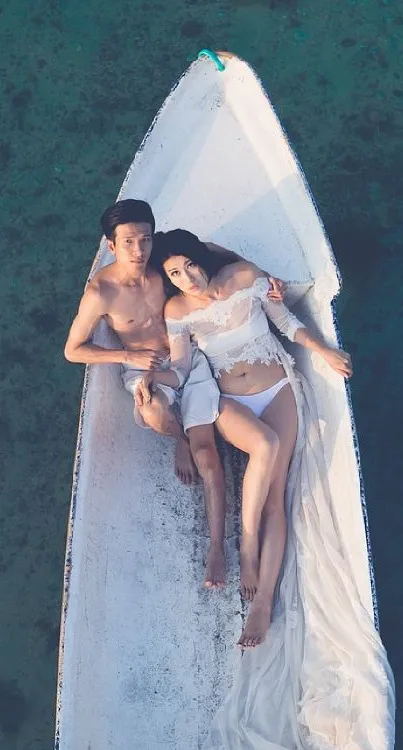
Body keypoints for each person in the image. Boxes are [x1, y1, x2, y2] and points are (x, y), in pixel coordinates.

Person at [147, 229, 352, 649]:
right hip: (230, 403)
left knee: (276, 497)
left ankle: (263, 602)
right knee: (265, 445)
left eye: (189, 265)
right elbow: (183, 366)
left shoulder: (244, 276)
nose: (187, 277)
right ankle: (246, 546)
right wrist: (154, 380)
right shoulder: (177, 309)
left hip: (277, 389)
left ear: (202, 258)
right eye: (175, 273)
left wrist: (324, 351)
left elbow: (287, 324)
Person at [64, 199, 284, 589]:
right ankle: (177, 436)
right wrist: (126, 354)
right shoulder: (101, 292)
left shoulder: (162, 264)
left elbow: (210, 253)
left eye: (145, 239)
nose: (139, 250)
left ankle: (217, 548)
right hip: (142, 367)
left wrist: (266, 277)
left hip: (187, 359)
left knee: (208, 458)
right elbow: (73, 350)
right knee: (152, 412)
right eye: (128, 242)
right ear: (111, 246)